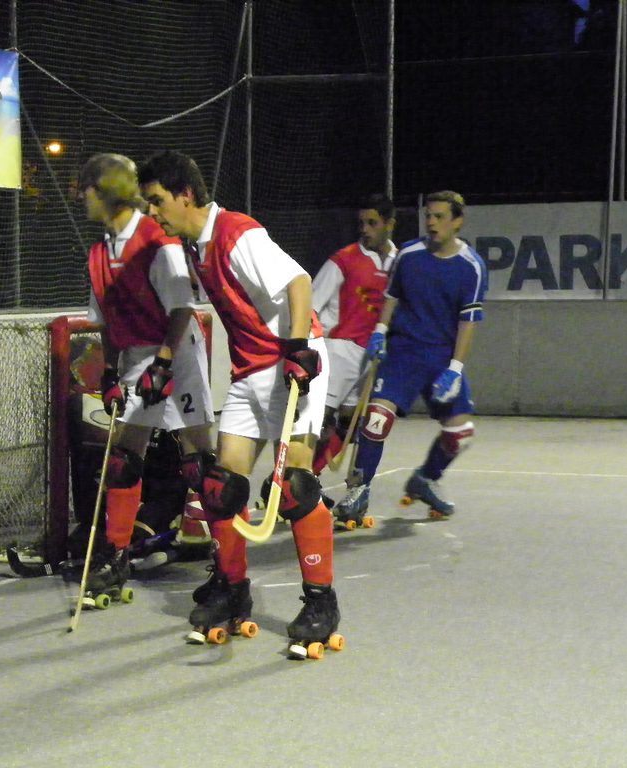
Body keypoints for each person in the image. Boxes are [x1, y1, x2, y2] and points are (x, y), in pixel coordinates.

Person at [138, 150, 340, 655]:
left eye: (157, 200)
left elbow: (298, 281)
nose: (153, 212)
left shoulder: (235, 232)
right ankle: (233, 589)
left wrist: (298, 348)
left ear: (186, 193)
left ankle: (321, 602)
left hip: (292, 359)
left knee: (294, 487)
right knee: (219, 487)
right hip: (250, 371)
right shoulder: (194, 246)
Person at [73, 153, 214, 601]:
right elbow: (105, 321)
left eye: (86, 188)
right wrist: (110, 371)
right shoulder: (99, 252)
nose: (80, 196)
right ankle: (115, 557)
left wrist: (164, 363)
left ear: (107, 190)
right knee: (122, 460)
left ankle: (227, 559)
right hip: (136, 356)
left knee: (200, 463)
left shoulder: (156, 240)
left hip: (177, 352)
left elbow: (182, 309)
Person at [334, 190, 487, 522]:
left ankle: (425, 479)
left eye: (439, 217)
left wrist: (455, 369)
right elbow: (392, 296)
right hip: (403, 352)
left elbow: (468, 321)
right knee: (376, 420)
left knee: (460, 434)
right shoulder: (409, 253)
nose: (431, 223)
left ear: (458, 221)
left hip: (441, 358)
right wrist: (380, 330)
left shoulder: (472, 267)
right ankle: (358, 491)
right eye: (428, 216)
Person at [310, 195, 398, 526]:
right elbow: (311, 305)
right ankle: (294, 483)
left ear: (390, 224)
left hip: (371, 357)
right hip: (338, 349)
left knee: (350, 426)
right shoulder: (343, 260)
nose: (365, 229)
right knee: (320, 423)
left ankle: (309, 480)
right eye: (362, 223)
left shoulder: (400, 263)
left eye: (372, 223)